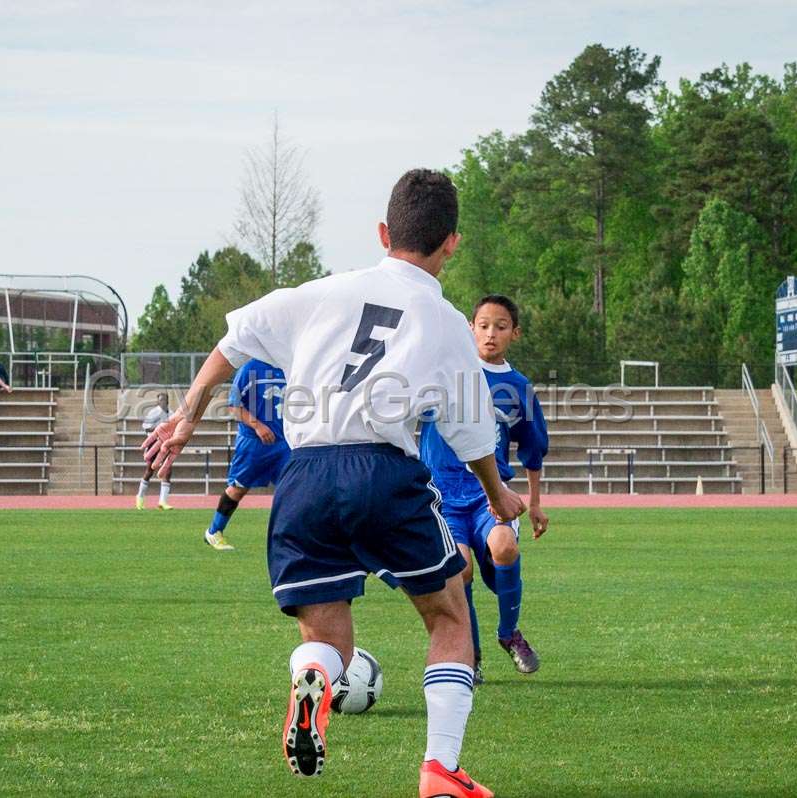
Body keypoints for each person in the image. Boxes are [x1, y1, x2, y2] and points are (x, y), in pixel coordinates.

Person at [143, 169, 524, 798]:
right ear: (451, 242)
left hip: (305, 475)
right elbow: (471, 430)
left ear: (383, 232)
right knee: (449, 614)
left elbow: (232, 344)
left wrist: (187, 417)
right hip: (383, 469)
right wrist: (496, 493)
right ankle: (440, 771)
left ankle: (313, 677)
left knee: (328, 639)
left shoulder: (320, 292)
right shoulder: (447, 319)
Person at [419, 294, 549, 683]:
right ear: (470, 329)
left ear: (515, 334)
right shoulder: (442, 376)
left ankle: (508, 634)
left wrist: (537, 504)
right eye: (484, 325)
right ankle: (470, 656)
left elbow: (533, 449)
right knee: (460, 570)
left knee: (504, 547)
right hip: (442, 494)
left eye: (501, 326)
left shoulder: (518, 387)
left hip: (489, 494)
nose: (491, 334)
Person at [200, 358, 289, 551]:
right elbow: (234, 405)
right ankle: (214, 531)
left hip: (285, 443)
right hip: (253, 444)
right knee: (238, 489)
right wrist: (257, 425)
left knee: (294, 490)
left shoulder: (288, 364)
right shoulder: (250, 368)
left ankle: (289, 539)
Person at [136, 392, 174, 510]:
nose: (162, 402)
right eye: (160, 400)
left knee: (167, 471)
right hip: (154, 444)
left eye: (164, 399)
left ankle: (162, 502)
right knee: (149, 471)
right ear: (157, 402)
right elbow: (146, 426)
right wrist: (159, 429)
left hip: (166, 444)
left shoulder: (172, 413)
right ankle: (140, 497)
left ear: (167, 401)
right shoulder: (154, 412)